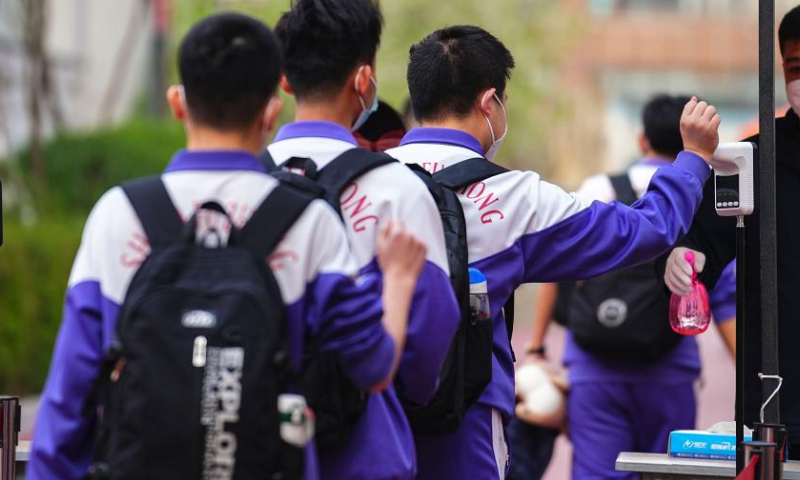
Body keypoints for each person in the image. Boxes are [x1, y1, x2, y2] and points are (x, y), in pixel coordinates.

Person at [28, 13, 428, 480]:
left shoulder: (118, 214)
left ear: (178, 103)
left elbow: (68, 396)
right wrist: (398, 278)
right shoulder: (308, 220)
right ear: (270, 111)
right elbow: (372, 366)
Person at [386, 25, 721, 480]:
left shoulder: (361, 184)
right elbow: (646, 229)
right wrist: (693, 159)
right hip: (465, 420)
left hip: (374, 414)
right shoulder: (516, 197)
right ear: (490, 104)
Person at [269, 1, 461, 479]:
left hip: (259, 439)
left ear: (285, 81)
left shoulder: (250, 178)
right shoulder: (398, 188)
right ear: (364, 80)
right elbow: (429, 332)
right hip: (366, 448)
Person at [521, 95, 737, 480]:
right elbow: (721, 298)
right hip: (670, 369)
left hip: (593, 368)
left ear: (642, 141)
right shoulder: (704, 205)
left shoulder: (598, 188)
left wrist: (537, 344)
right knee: (670, 474)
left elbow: (557, 271)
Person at [661, 4, 800, 454]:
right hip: (781, 389)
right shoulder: (758, 160)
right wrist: (685, 255)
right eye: (796, 68)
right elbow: (702, 236)